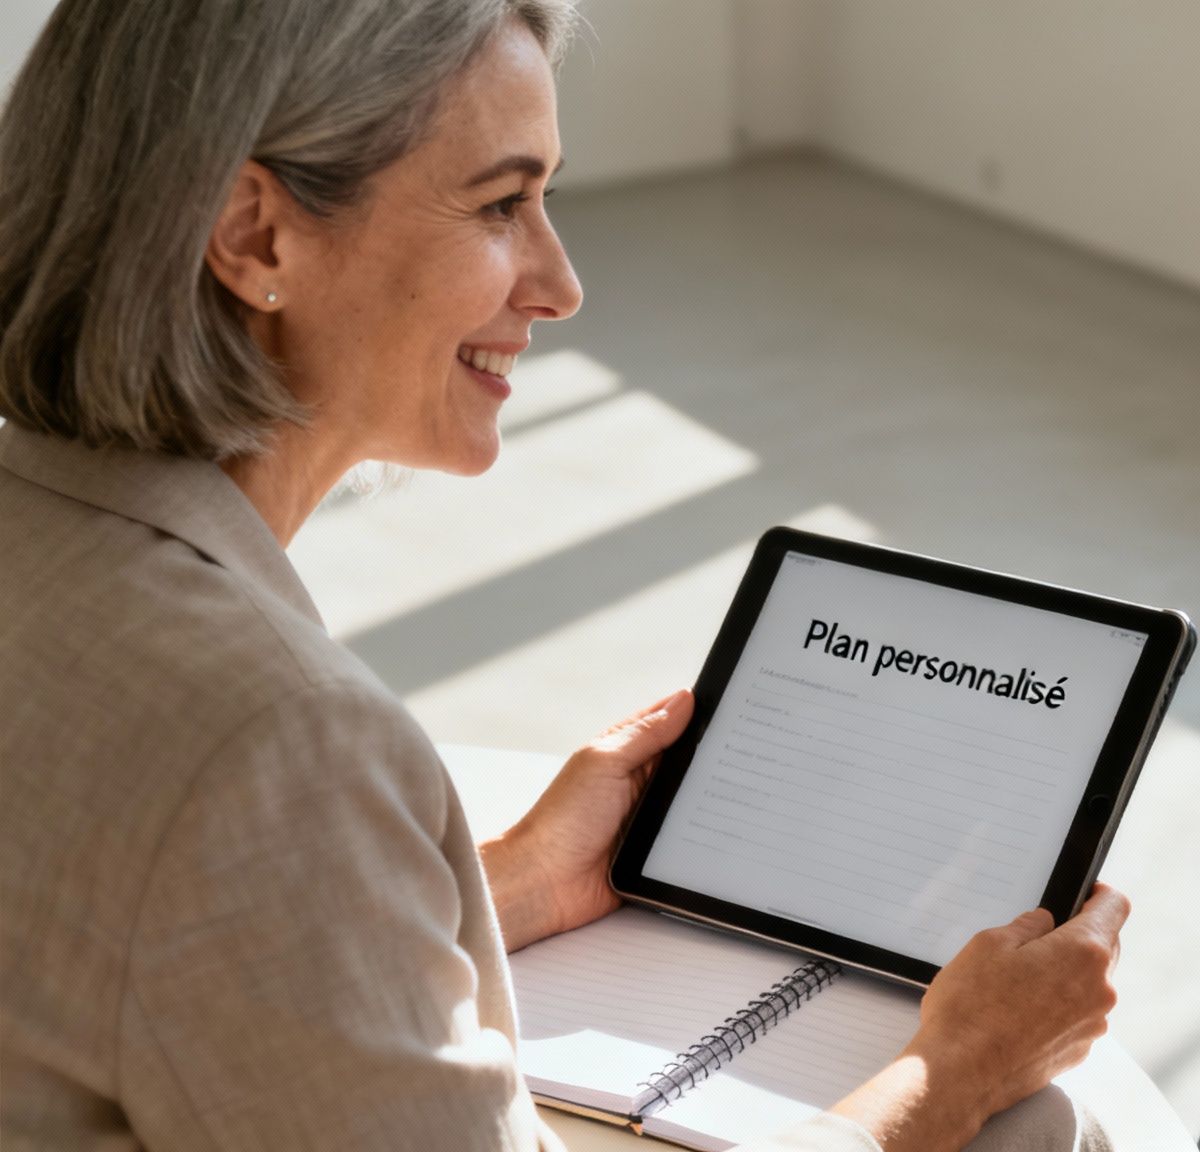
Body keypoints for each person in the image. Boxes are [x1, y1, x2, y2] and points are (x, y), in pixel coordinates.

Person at [0, 2, 1127, 1150]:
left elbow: (194, 945)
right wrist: (944, 1076)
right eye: (499, 204)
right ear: (255, 238)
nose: (558, 282)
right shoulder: (272, 741)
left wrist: (522, 880)